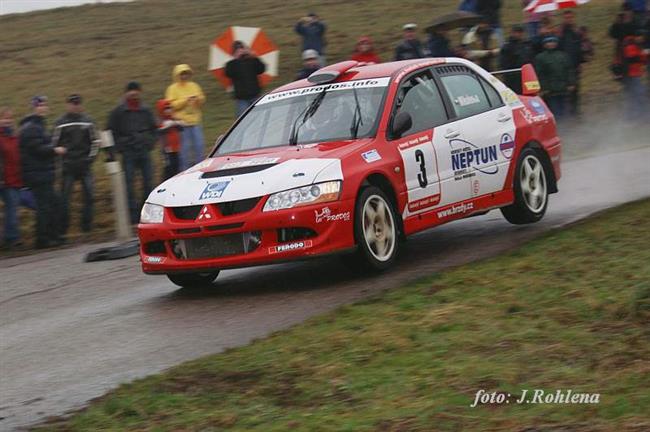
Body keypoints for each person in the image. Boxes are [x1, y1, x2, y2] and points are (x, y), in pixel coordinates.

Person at [19, 96, 67, 248]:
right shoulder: (32, 127)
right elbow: (37, 149)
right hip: (37, 174)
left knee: (52, 204)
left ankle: (53, 235)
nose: (43, 107)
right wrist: (55, 150)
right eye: (40, 105)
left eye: (45, 104)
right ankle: (42, 239)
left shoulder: (37, 125)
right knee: (44, 207)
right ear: (34, 107)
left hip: (42, 173)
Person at [106, 82, 157, 224]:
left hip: (144, 151)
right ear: (126, 93)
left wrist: (149, 143)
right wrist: (120, 147)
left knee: (148, 182)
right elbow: (110, 131)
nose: (134, 93)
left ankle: (146, 213)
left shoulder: (146, 110)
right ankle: (132, 216)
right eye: (131, 91)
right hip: (128, 152)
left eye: (136, 91)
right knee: (128, 185)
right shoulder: (118, 112)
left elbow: (154, 129)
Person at [52, 94, 99, 237]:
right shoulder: (60, 123)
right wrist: (61, 161)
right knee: (64, 198)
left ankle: (87, 227)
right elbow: (54, 144)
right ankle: (63, 229)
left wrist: (90, 159)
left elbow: (95, 142)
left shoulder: (88, 121)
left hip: (85, 165)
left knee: (90, 196)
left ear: (81, 104)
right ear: (67, 104)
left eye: (77, 103)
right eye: (72, 103)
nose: (75, 106)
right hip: (68, 167)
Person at [164, 64, 206, 170]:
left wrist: (197, 99)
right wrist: (185, 100)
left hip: (195, 121)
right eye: (182, 74)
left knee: (199, 145)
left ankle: (200, 168)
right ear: (177, 75)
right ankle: (184, 170)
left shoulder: (194, 85)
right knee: (184, 149)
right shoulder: (172, 89)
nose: (184, 76)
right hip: (181, 123)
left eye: (186, 73)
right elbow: (171, 105)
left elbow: (202, 99)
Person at [534, 36, 575, 119]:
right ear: (545, 44)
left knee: (564, 109)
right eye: (549, 42)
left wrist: (571, 83)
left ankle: (567, 125)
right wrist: (543, 88)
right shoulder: (540, 58)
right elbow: (540, 74)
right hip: (550, 90)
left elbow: (569, 70)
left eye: (553, 41)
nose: (551, 44)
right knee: (554, 110)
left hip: (563, 87)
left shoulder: (563, 55)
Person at [0, 108, 23, 249]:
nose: (7, 121)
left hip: (13, 179)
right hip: (3, 178)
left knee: (12, 208)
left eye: (10, 118)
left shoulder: (14, 137)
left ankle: (12, 238)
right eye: (4, 118)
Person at [225, 41, 266, 117]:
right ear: (233, 52)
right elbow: (228, 73)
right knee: (242, 119)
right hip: (241, 99)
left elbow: (262, 69)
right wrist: (236, 58)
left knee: (259, 117)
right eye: (237, 49)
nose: (240, 50)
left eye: (242, 48)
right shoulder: (231, 64)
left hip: (255, 95)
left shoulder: (252, 60)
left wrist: (254, 56)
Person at [559, 10, 586, 116]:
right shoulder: (561, 32)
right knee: (566, 90)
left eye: (570, 17)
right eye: (566, 18)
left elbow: (579, 48)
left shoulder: (576, 32)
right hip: (564, 66)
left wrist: (581, 62)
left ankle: (575, 111)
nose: (568, 19)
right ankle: (567, 112)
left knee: (576, 89)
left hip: (575, 65)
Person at [620, 30, 648, 120]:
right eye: (641, 38)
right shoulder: (630, 44)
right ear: (637, 36)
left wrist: (644, 56)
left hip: (634, 74)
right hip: (631, 75)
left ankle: (635, 115)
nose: (642, 40)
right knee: (638, 94)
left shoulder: (635, 44)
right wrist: (643, 55)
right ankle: (638, 115)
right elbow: (632, 58)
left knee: (636, 95)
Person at [499, 25, 533, 93]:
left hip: (526, 75)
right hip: (513, 77)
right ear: (512, 33)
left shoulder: (526, 45)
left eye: (520, 32)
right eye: (517, 32)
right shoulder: (507, 47)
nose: (519, 34)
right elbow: (504, 63)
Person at [156, 99, 184, 180]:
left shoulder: (173, 119)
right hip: (167, 149)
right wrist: (169, 125)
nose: (168, 110)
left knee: (177, 166)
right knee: (168, 168)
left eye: (169, 108)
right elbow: (160, 130)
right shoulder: (160, 121)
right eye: (166, 109)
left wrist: (176, 123)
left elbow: (181, 127)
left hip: (176, 148)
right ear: (161, 110)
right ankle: (165, 182)